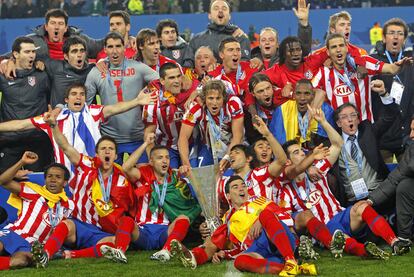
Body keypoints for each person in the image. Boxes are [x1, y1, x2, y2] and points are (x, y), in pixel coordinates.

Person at [279, 106, 410, 259]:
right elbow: (290, 220)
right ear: (288, 161)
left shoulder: (318, 170)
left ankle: (395, 243)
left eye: (302, 150)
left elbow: (337, 144)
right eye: (296, 152)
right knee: (337, 233)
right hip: (324, 227)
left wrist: (322, 121)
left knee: (362, 207)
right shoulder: (286, 190)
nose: (302, 153)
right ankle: (366, 251)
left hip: (341, 214)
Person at [32, 118, 136, 267]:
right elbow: (65, 146)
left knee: (112, 243)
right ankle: (45, 255)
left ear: (115, 155)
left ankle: (68, 255)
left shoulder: (122, 179)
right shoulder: (86, 163)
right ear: (97, 153)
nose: (107, 151)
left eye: (111, 149)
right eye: (103, 148)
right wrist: (54, 126)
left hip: (101, 231)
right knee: (65, 225)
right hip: (78, 226)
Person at [0, 82, 155, 177]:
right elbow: (20, 125)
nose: (78, 97)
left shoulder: (93, 112)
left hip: (94, 174)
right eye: (74, 94)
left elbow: (115, 108)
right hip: (66, 177)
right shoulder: (53, 119)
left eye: (82, 94)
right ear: (66, 100)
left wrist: (137, 101)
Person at [170, 175, 317, 276]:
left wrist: (261, 220)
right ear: (228, 196)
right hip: (258, 248)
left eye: (243, 185)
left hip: (278, 238)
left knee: (265, 214)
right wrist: (223, 254)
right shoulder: (227, 219)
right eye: (235, 187)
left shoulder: (260, 201)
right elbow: (222, 245)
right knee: (240, 261)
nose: (241, 189)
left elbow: (283, 217)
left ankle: (290, 259)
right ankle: (193, 256)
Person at [118, 137, 200, 263]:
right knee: (126, 220)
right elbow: (126, 168)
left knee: (183, 219)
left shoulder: (174, 177)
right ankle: (119, 251)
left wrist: (188, 173)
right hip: (143, 231)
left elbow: (198, 191)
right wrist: (145, 143)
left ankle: (166, 251)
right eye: (160, 157)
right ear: (151, 161)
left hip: (165, 232)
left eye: (167, 157)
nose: (165, 161)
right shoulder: (143, 173)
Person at [85, 32, 159, 164]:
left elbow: (164, 81)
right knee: (111, 181)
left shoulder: (138, 68)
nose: (115, 51)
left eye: (118, 46)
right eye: (110, 47)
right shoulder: (96, 72)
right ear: (105, 49)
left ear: (124, 48)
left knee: (141, 179)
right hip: (109, 140)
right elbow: (84, 106)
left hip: (138, 137)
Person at [312, 33, 411, 122]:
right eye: (334, 47)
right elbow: (309, 92)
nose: (338, 49)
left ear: (347, 48)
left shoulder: (364, 63)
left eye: (341, 45)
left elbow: (391, 69)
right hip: (339, 131)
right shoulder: (322, 73)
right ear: (328, 52)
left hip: (365, 129)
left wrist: (399, 65)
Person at [0, 151, 73, 271]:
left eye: (58, 177)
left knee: (18, 262)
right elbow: (3, 181)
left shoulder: (69, 205)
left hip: (33, 244)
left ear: (65, 183)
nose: (53, 180)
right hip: (14, 232)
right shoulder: (32, 191)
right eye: (49, 176)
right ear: (45, 180)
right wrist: (22, 162)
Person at [0, 36, 53, 173]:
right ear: (16, 54)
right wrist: (6, 61)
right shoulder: (3, 75)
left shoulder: (42, 75)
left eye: (33, 52)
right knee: (6, 181)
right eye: (27, 52)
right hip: (9, 139)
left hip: (37, 140)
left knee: (38, 183)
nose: (32, 55)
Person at [333, 101, 398, 206]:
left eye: (353, 115)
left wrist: (384, 94)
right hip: (352, 201)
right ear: (338, 123)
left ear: (358, 120)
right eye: (344, 117)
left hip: (378, 192)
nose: (350, 119)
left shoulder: (368, 131)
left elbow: (389, 116)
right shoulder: (333, 144)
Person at [370, 18, 414, 163]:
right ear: (383, 37)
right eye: (392, 33)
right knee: (384, 181)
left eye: (400, 34)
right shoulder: (374, 62)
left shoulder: (411, 63)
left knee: (407, 181)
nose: (395, 37)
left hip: (406, 135)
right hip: (382, 136)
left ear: (405, 39)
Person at [368, 117, 414, 249]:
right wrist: (371, 200)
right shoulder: (412, 150)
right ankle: (404, 237)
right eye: (411, 130)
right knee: (405, 186)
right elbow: (396, 176)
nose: (411, 135)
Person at [178, 80, 244, 168]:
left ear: (223, 98)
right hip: (208, 147)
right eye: (210, 98)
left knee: (229, 177)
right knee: (198, 176)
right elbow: (183, 138)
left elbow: (238, 136)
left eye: (218, 98)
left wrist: (227, 157)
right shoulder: (195, 107)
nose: (214, 103)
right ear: (204, 98)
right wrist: (186, 165)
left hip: (233, 145)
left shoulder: (233, 103)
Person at [143, 62, 198, 168]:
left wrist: (195, 93)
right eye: (172, 78)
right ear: (162, 81)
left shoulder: (192, 90)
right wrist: (153, 160)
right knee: (169, 179)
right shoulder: (153, 99)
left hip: (192, 145)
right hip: (167, 147)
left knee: (194, 179)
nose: (177, 81)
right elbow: (149, 133)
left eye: (178, 76)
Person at [0, 9, 103, 62]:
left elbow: (103, 45)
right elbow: (11, 55)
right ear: (46, 26)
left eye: (60, 24)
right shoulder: (33, 41)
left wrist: (101, 60)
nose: (56, 27)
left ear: (66, 28)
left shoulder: (79, 40)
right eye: (53, 23)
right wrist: (5, 62)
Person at [183, 0, 250, 68]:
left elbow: (244, 67)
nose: (220, 11)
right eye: (216, 8)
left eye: (224, 8)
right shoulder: (196, 40)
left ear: (229, 16)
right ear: (209, 15)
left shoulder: (240, 38)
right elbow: (188, 66)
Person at [270, 78, 335, 149]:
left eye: (307, 93)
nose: (302, 98)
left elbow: (330, 142)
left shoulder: (325, 110)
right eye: (298, 93)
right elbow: (276, 142)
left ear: (313, 95)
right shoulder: (282, 110)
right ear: (294, 95)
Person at [250, 0, 312, 70]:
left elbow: (303, 50)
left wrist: (303, 24)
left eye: (271, 40)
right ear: (259, 45)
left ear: (277, 44)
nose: (267, 42)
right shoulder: (250, 61)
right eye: (263, 40)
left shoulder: (286, 60)